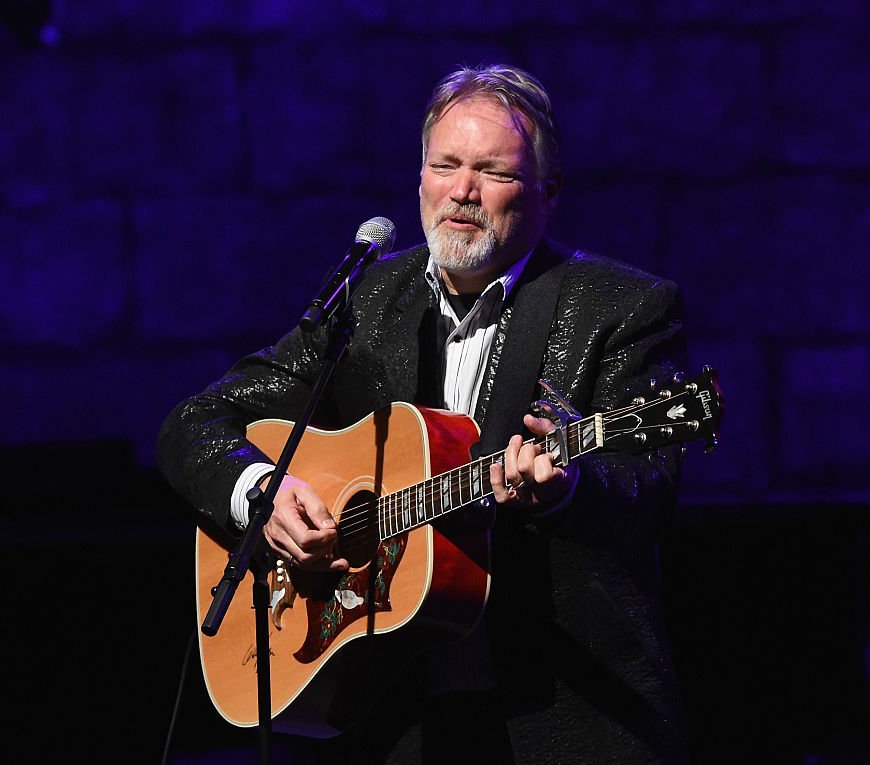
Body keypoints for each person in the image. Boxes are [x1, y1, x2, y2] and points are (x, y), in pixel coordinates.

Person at [158, 63, 692, 764]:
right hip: (395, 718)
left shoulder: (618, 308)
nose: (462, 191)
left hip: (566, 717)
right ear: (419, 181)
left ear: (548, 190)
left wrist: (566, 493)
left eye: (491, 171)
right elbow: (196, 422)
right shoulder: (368, 301)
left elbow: (648, 486)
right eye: (444, 165)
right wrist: (262, 489)